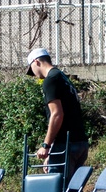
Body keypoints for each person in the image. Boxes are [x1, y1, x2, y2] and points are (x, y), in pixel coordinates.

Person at [25, 47, 88, 180]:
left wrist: (46, 146)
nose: (34, 74)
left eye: (32, 69)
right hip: (80, 141)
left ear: (36, 62)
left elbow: (57, 114)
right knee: (72, 190)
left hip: (66, 144)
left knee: (59, 190)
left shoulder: (50, 80)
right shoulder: (63, 77)